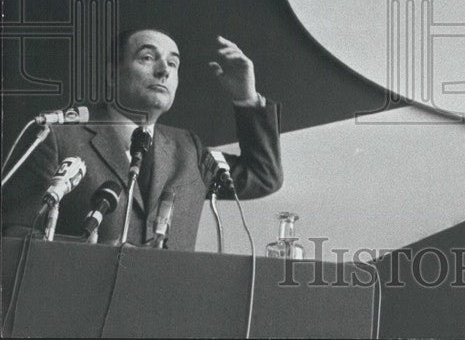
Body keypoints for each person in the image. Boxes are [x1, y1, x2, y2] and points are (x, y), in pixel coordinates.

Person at [1, 29, 282, 250]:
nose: (164, 70)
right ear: (112, 75)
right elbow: (14, 235)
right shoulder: (58, 138)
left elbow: (262, 174)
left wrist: (246, 98)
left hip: (168, 317)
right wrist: (90, 255)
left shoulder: (189, 149)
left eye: (173, 63)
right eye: (147, 58)